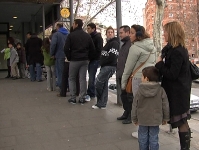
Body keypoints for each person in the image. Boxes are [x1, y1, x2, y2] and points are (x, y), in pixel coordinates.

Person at [155, 21, 192, 150]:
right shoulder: (174, 48)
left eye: (165, 31)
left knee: (181, 121)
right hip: (177, 90)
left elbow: (172, 74)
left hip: (178, 92)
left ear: (172, 33)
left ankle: (185, 148)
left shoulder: (177, 52)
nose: (163, 34)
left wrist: (159, 64)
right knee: (182, 121)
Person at [121, 25, 156, 137]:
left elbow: (128, 67)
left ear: (138, 34)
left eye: (131, 33)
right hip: (151, 78)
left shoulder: (134, 48)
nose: (130, 35)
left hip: (139, 79)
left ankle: (142, 132)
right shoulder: (152, 46)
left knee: (140, 106)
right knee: (149, 106)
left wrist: (123, 82)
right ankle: (151, 131)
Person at [132, 66, 170, 150]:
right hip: (155, 119)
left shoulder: (139, 90)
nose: (141, 78)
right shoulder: (160, 90)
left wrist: (134, 118)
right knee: (154, 138)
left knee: (142, 138)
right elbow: (165, 105)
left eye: (142, 76)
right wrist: (166, 118)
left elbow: (135, 105)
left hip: (142, 119)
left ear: (147, 78)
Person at [64, 19, 95, 104]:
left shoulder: (71, 35)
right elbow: (92, 49)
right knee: (83, 79)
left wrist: (69, 57)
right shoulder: (87, 36)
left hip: (74, 60)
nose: (72, 25)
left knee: (72, 78)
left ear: (76, 24)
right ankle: (82, 98)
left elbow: (66, 48)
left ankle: (73, 97)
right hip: (84, 60)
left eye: (73, 23)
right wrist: (88, 57)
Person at [92, 26, 119, 109]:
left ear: (114, 34)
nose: (110, 33)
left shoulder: (114, 43)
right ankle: (102, 103)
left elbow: (112, 57)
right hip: (105, 66)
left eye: (111, 32)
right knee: (104, 85)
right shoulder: (107, 43)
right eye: (108, 32)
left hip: (109, 66)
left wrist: (103, 62)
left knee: (98, 83)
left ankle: (101, 101)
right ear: (106, 34)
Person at [116, 25, 132, 124]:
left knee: (128, 96)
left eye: (121, 33)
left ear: (127, 32)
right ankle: (126, 112)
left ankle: (130, 115)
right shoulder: (124, 45)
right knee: (123, 96)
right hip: (121, 73)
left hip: (127, 75)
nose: (120, 35)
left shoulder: (130, 45)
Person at [85, 23, 103, 101]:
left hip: (95, 59)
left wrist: (91, 57)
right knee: (91, 76)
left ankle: (91, 93)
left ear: (93, 29)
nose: (87, 30)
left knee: (91, 76)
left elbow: (98, 50)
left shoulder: (97, 38)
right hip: (92, 59)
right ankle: (91, 91)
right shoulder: (90, 37)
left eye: (88, 28)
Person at [50, 23, 69, 90]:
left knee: (60, 72)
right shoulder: (68, 34)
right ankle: (68, 86)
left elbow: (53, 45)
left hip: (59, 55)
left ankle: (62, 87)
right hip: (68, 56)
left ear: (58, 27)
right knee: (67, 72)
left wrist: (52, 54)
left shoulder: (56, 34)